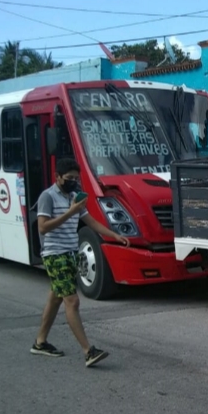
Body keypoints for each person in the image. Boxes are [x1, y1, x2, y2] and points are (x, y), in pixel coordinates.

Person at [30, 157, 130, 367]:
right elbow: (43, 227)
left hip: (70, 253)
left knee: (56, 298)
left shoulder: (74, 196)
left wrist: (114, 235)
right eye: (69, 178)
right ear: (57, 177)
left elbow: (90, 221)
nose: (73, 182)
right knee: (72, 301)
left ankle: (40, 342)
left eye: (76, 178)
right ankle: (88, 351)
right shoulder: (47, 197)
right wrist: (70, 212)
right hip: (54, 254)